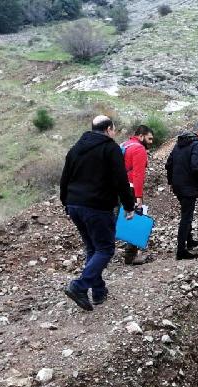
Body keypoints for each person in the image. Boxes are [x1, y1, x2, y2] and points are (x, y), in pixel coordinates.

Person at [59, 115, 135, 312]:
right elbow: (121, 180)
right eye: (114, 129)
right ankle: (79, 286)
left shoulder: (75, 149)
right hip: (97, 207)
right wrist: (129, 205)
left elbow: (65, 178)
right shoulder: (110, 148)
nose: (115, 132)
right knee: (105, 249)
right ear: (108, 129)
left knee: (93, 248)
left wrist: (66, 203)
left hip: (75, 205)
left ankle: (99, 291)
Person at [165, 120, 198, 260]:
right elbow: (196, 167)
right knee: (186, 217)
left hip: (178, 186)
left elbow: (168, 164)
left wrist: (171, 182)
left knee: (186, 212)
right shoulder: (197, 144)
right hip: (189, 187)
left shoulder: (179, 143)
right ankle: (181, 250)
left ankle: (189, 240)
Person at [122, 125, 154, 265]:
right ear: (141, 136)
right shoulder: (139, 149)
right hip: (131, 189)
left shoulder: (124, 144)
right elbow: (138, 175)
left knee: (117, 219)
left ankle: (101, 251)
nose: (151, 142)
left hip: (117, 188)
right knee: (136, 218)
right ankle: (131, 255)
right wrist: (139, 196)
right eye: (149, 138)